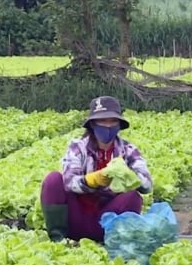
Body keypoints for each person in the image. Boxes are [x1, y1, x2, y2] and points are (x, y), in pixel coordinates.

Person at [40, 95, 153, 242]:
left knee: (133, 197)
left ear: (119, 124)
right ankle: (59, 239)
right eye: (102, 121)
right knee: (53, 180)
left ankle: (115, 240)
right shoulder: (78, 147)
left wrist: (127, 176)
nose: (107, 126)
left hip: (107, 220)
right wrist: (92, 180)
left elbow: (147, 185)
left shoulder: (128, 150)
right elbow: (69, 181)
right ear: (93, 124)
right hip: (77, 217)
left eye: (112, 121)